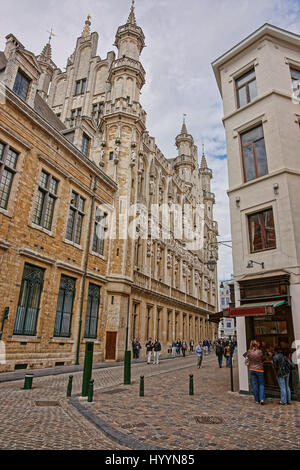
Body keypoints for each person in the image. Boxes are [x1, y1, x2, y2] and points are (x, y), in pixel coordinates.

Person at [246, 340, 265, 405]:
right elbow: (263, 358)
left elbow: (245, 356)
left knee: (255, 384)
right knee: (261, 384)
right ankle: (262, 399)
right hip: (259, 369)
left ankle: (256, 399)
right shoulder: (260, 351)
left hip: (252, 369)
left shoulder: (249, 351)